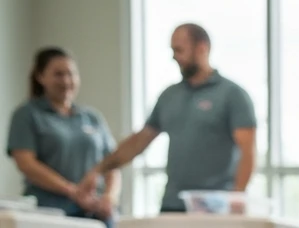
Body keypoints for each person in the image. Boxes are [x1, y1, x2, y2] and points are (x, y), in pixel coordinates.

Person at [79, 23, 256, 214]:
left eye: (179, 50)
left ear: (202, 48)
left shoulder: (232, 95)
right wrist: (99, 169)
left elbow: (248, 150)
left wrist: (237, 197)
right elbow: (139, 141)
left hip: (215, 207)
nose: (174, 57)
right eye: (173, 50)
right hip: (173, 204)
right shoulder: (169, 96)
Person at [6, 48, 118, 228]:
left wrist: (109, 197)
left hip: (96, 214)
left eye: (71, 74)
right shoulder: (27, 115)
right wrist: (72, 191)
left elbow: (112, 163)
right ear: (40, 77)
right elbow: (26, 163)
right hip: (50, 213)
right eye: (58, 74)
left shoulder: (91, 117)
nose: (66, 81)